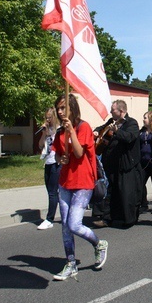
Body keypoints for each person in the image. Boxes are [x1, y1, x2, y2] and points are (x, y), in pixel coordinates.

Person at [51, 94, 108, 280]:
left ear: (72, 108)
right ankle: (71, 263)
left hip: (83, 183)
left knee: (74, 224)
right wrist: (61, 159)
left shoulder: (83, 128)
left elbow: (79, 151)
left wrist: (72, 132)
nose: (59, 112)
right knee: (65, 227)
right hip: (65, 183)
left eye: (62, 108)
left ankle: (99, 244)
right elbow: (58, 155)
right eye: (58, 108)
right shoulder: (60, 132)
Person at [96, 100, 143, 228]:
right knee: (111, 191)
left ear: (121, 111)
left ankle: (128, 219)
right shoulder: (111, 121)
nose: (111, 112)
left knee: (125, 192)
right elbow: (101, 128)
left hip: (126, 164)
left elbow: (129, 137)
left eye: (113, 110)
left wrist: (117, 131)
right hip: (111, 163)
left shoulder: (131, 123)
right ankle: (107, 218)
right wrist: (96, 131)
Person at [36, 107, 61, 230]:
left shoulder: (59, 129)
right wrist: (44, 134)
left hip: (57, 162)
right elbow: (40, 145)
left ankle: (49, 219)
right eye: (46, 117)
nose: (47, 120)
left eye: (49, 117)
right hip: (48, 162)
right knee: (51, 191)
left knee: (53, 192)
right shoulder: (46, 130)